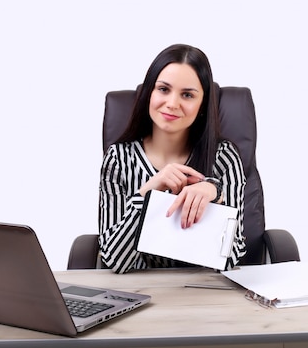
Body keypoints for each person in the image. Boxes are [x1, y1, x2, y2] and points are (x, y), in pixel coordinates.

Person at [98, 44, 247, 274]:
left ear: (202, 105)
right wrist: (148, 193)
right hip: (139, 293)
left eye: (187, 95)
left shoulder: (224, 157)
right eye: (163, 89)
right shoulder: (119, 159)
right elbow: (115, 261)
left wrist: (214, 196)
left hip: (206, 295)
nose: (172, 103)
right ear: (149, 92)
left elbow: (230, 260)